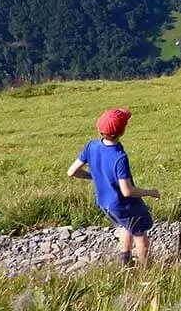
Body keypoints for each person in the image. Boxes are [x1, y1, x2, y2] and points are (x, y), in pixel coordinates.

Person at [66, 108, 160, 267]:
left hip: (104, 203)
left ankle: (125, 261)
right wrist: (151, 192)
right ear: (122, 131)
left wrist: (94, 176)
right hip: (124, 204)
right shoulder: (119, 157)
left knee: (125, 225)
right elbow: (127, 190)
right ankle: (147, 270)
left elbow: (71, 172)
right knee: (140, 236)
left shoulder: (92, 146)